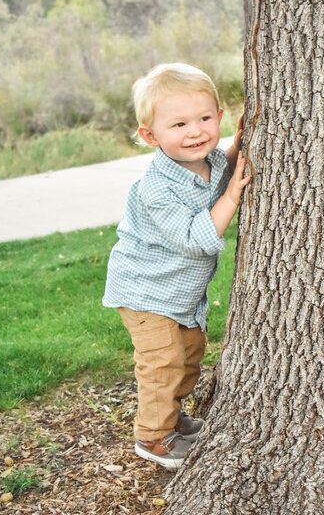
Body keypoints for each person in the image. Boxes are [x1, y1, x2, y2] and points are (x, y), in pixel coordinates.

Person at [102, 62, 251, 469]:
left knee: (189, 356)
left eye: (205, 118)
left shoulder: (212, 161)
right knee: (162, 362)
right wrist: (232, 200)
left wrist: (239, 145)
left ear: (218, 117)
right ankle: (152, 437)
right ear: (151, 136)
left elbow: (223, 172)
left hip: (178, 292)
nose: (195, 132)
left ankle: (173, 417)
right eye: (180, 124)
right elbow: (192, 237)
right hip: (145, 291)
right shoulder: (155, 187)